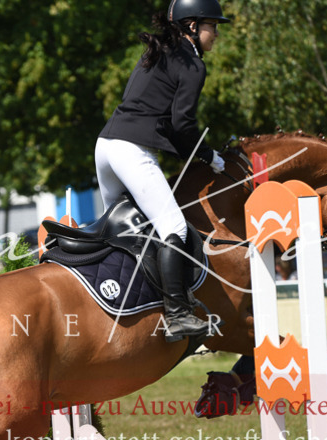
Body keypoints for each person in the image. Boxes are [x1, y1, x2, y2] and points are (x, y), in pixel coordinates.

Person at [95, 0, 230, 340]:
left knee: (123, 230)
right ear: (192, 26)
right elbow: (183, 125)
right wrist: (207, 155)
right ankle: (178, 315)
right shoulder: (192, 64)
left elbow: (164, 120)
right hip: (131, 151)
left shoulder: (157, 52)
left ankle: (116, 301)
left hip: (105, 147)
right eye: (212, 26)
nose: (216, 34)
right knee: (173, 226)